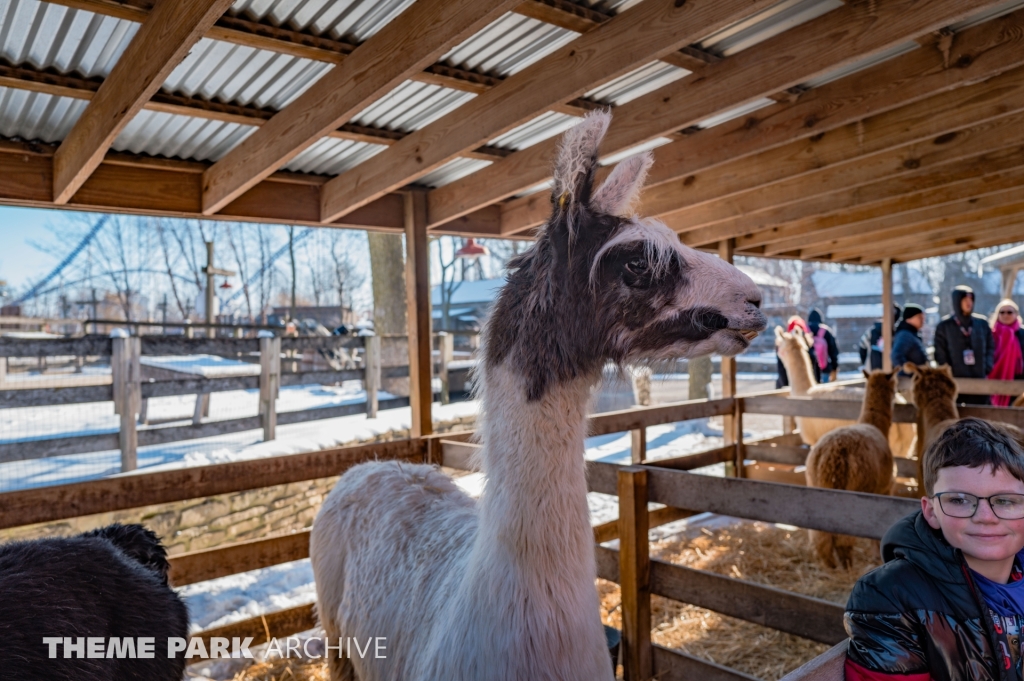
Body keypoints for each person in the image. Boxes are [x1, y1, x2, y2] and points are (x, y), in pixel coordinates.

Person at [845, 418, 1024, 681]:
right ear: (931, 512)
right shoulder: (890, 599)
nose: (986, 517)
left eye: (1006, 500)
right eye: (959, 500)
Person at [934, 285, 995, 405]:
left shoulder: (981, 324)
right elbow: (940, 353)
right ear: (957, 302)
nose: (969, 303)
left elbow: (990, 347)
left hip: (979, 379)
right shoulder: (945, 326)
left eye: (971, 300)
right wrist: (949, 371)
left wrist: (987, 366)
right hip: (956, 381)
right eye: (965, 300)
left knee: (982, 412)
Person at [990, 299, 1024, 407]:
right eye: (1002, 312)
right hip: (994, 378)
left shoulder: (1022, 334)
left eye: (1009, 312)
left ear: (1016, 314)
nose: (1005, 315)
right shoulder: (991, 334)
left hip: (1018, 378)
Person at [775, 315, 821, 389]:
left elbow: (781, 371)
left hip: (795, 388)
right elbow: (816, 371)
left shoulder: (785, 347)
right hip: (803, 387)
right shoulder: (808, 347)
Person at [859, 305, 902, 371]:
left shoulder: (871, 331)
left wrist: (865, 363)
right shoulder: (897, 333)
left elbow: (862, 348)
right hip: (891, 373)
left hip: (873, 370)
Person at [891, 303, 928, 371]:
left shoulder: (911, 333)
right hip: (910, 377)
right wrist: (908, 373)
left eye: (923, 318)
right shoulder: (905, 335)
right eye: (919, 317)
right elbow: (896, 355)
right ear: (909, 319)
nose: (922, 320)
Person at [807, 308, 839, 383]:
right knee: (824, 389)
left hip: (808, 371)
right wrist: (834, 368)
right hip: (824, 369)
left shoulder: (804, 331)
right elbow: (833, 352)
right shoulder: (826, 331)